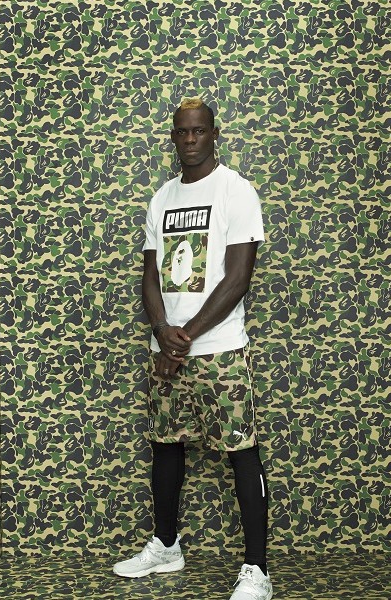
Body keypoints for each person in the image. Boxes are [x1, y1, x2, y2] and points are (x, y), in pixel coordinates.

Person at [112, 97, 272, 600]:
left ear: (214, 134)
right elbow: (150, 274)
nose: (190, 139)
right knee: (165, 446)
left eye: (199, 131)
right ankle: (166, 545)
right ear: (173, 137)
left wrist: (184, 337)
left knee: (241, 452)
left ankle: (257, 571)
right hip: (166, 349)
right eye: (181, 132)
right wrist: (162, 328)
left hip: (220, 350)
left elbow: (238, 277)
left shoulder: (235, 190)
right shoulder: (162, 198)